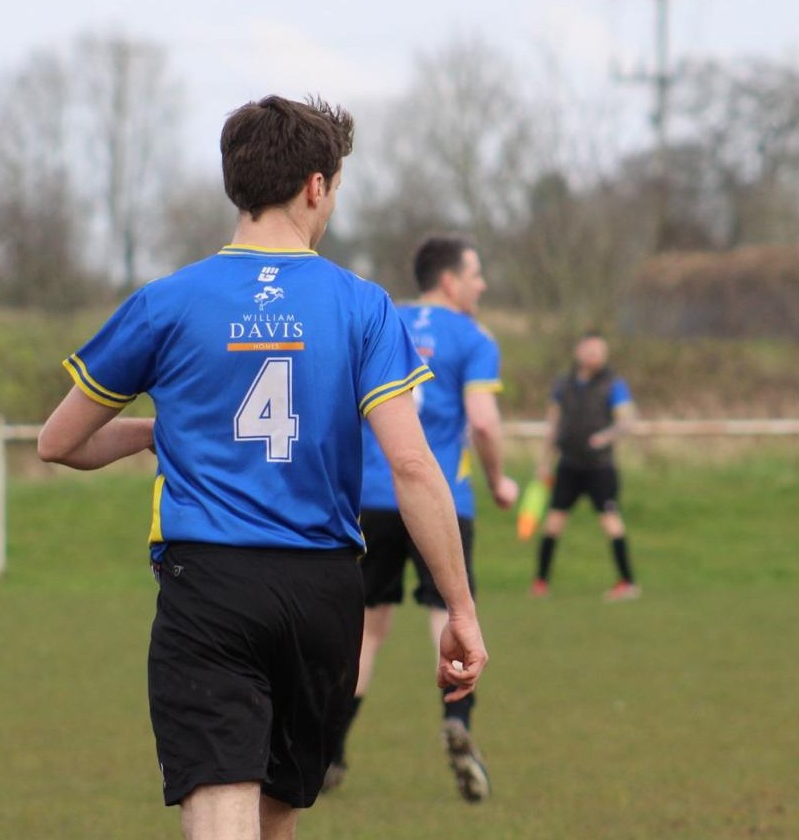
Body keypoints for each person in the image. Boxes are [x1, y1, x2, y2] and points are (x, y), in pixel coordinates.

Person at [36, 95, 488, 840]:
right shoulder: (364, 307)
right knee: (276, 819)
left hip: (210, 586)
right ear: (317, 185)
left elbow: (59, 442)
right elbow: (411, 464)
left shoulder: (166, 302)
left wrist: (156, 432)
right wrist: (461, 610)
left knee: (220, 812)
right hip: (322, 593)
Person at [324, 235, 517, 803]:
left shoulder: (380, 320)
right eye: (476, 274)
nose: (481, 285)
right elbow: (482, 420)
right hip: (438, 499)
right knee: (449, 612)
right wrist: (500, 479)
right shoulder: (474, 338)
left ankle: (331, 749)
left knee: (367, 628)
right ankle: (458, 722)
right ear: (451, 280)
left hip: (372, 496)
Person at [531, 331, 640, 601]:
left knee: (611, 523)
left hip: (599, 467)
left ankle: (627, 583)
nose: (596, 356)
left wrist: (607, 435)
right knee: (553, 523)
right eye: (591, 351)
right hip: (569, 465)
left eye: (600, 352)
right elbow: (553, 425)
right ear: (579, 351)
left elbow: (627, 419)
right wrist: (545, 463)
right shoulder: (563, 384)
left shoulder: (613, 384)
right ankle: (540, 583)